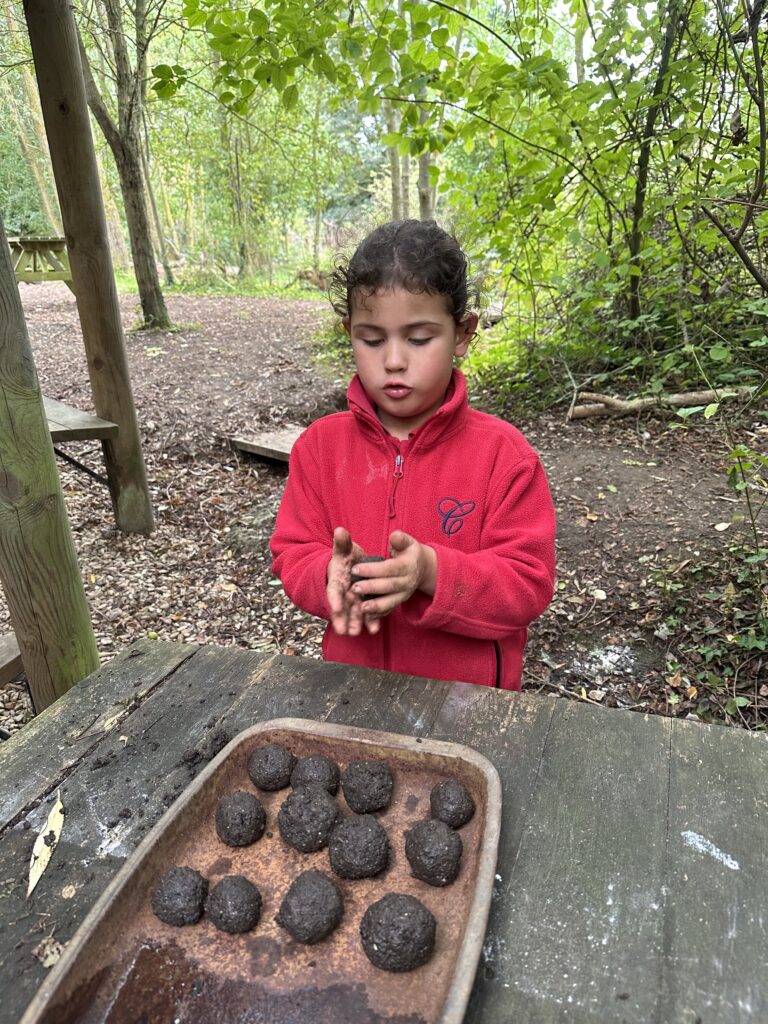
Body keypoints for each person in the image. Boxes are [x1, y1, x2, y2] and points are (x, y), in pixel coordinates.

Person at [270, 220, 555, 690]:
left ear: (462, 333)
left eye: (419, 339)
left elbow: (527, 583)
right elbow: (292, 551)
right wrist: (328, 573)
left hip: (469, 707)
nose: (394, 360)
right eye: (372, 339)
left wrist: (430, 572)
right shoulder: (320, 449)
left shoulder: (505, 457)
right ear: (349, 333)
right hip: (352, 693)